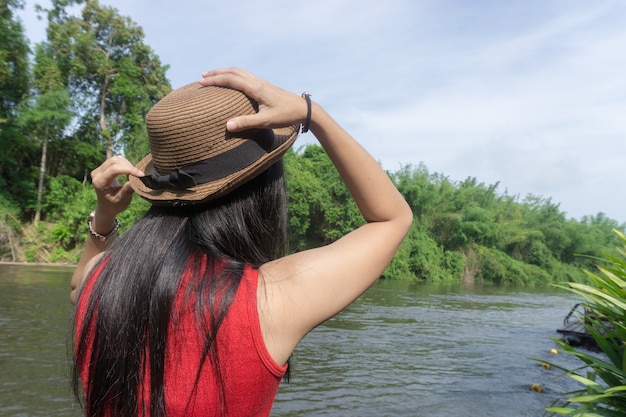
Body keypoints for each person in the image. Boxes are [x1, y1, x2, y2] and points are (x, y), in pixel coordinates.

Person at [70, 68, 413, 417]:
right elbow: (392, 219)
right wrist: (314, 114)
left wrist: (104, 216)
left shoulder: (102, 279)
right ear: (264, 189)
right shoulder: (268, 298)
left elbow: (76, 287)